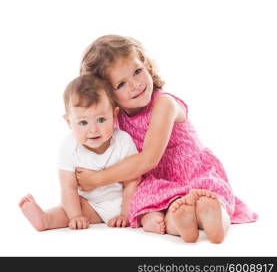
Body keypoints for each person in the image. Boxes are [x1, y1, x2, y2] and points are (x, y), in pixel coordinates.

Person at [77, 35, 258, 243]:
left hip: (193, 173)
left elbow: (149, 159)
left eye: (137, 71)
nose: (135, 85)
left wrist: (99, 179)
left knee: (212, 198)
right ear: (106, 95)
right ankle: (181, 221)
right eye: (121, 84)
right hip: (158, 183)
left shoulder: (164, 104)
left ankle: (214, 215)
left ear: (145, 64)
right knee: (158, 209)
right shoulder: (116, 119)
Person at [19, 74, 139, 231]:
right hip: (89, 204)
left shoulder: (123, 141)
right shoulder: (69, 147)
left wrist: (125, 213)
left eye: (101, 120)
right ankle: (46, 219)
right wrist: (76, 215)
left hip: (122, 202)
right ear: (69, 122)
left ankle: (141, 215)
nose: (93, 129)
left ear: (114, 115)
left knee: (145, 203)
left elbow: (132, 181)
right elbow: (68, 187)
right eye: (83, 122)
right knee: (69, 208)